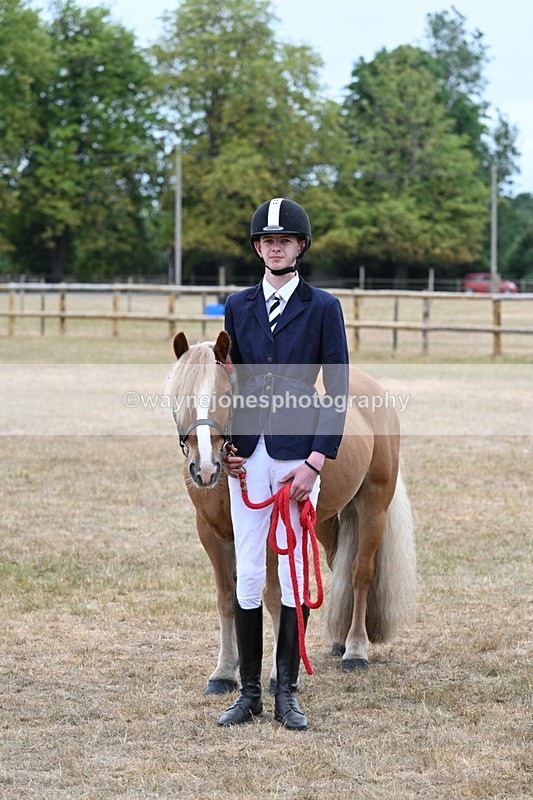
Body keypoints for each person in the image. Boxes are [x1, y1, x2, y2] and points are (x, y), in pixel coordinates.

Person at [219, 197, 349, 730]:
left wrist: (316, 461)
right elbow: (228, 382)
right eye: (267, 240)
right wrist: (226, 446)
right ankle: (249, 692)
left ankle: (286, 693)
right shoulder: (235, 304)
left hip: (298, 455)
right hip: (248, 454)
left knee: (294, 574)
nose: (275, 247)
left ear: (299, 247)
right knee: (249, 570)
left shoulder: (322, 307)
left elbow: (337, 387)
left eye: (285, 240)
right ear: (258, 248)